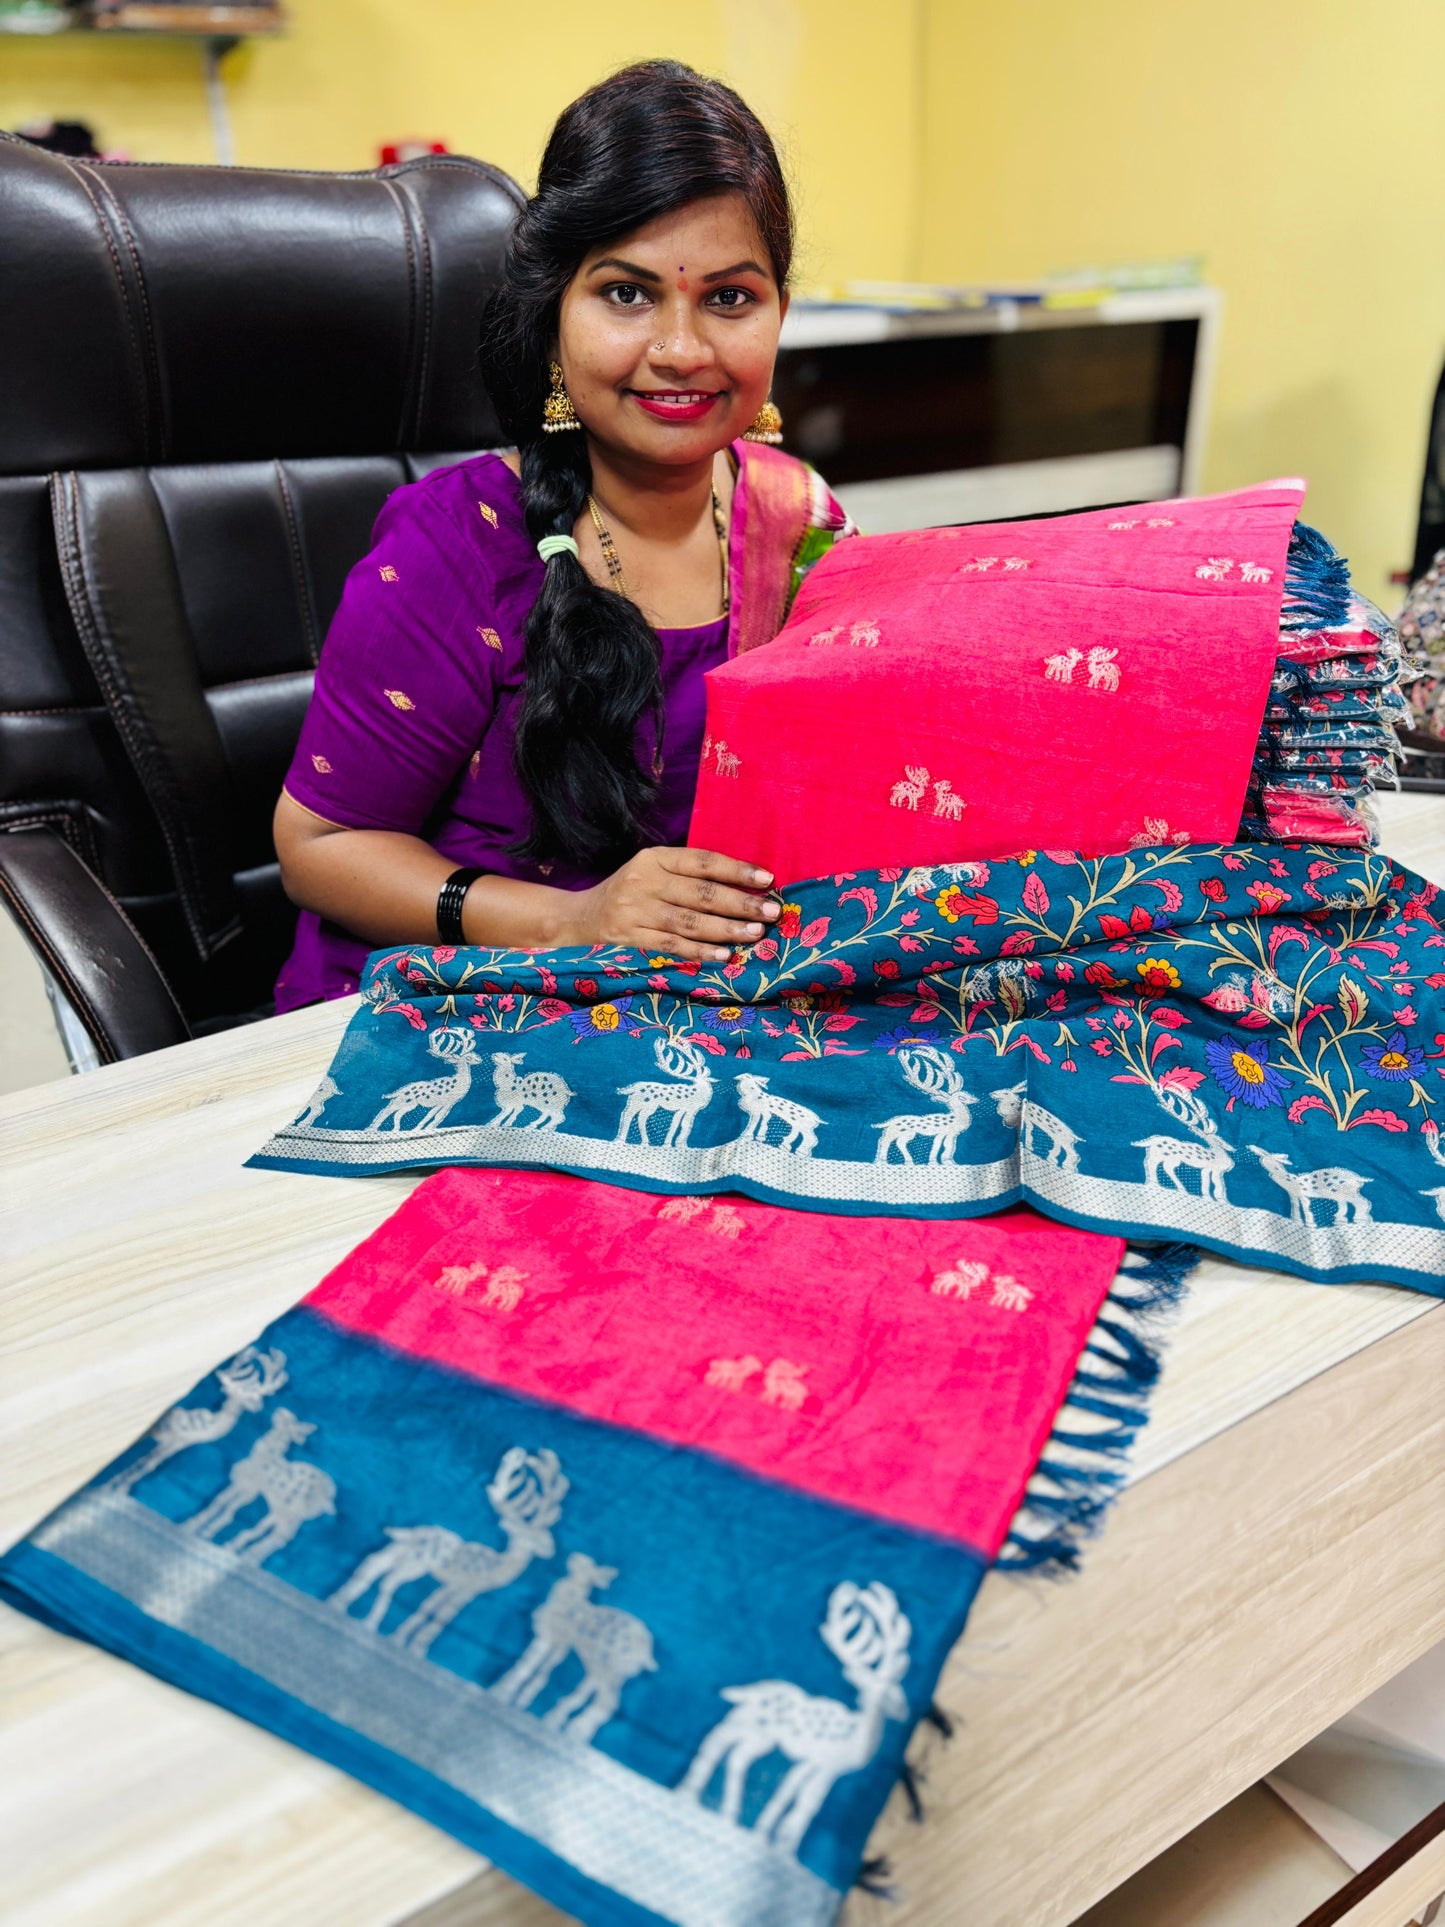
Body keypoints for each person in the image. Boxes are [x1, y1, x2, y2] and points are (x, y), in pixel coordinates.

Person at [272, 60, 852, 1010]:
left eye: (730, 297)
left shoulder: (806, 526)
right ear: (550, 318)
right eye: (626, 294)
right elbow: (320, 850)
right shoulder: (453, 548)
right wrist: (573, 920)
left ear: (779, 311)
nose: (681, 349)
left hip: (703, 1008)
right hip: (450, 1009)